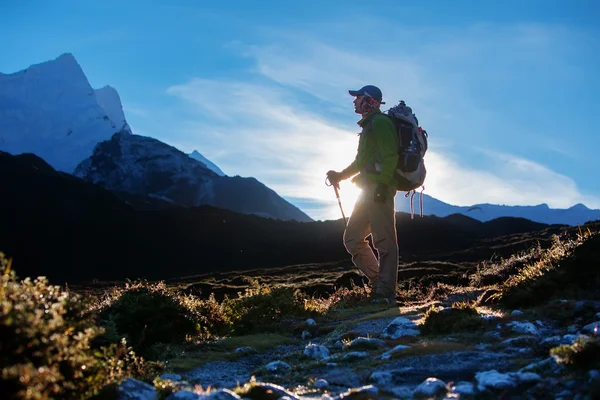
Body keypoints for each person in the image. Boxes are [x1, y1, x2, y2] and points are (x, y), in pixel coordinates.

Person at [327, 85, 399, 304]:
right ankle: (379, 284)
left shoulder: (381, 123)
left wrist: (384, 187)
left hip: (379, 190)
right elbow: (361, 162)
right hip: (367, 190)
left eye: (358, 98)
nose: (354, 101)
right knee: (352, 238)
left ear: (369, 101)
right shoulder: (368, 127)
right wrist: (340, 176)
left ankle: (385, 292)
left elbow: (391, 156)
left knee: (385, 242)